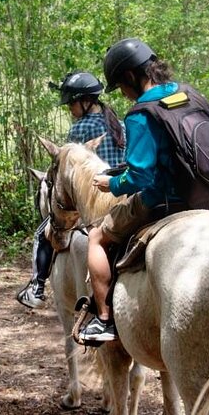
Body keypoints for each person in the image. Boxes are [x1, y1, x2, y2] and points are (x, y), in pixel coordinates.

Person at [79, 38, 191, 342]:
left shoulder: (141, 113)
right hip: (206, 193)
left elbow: (140, 176)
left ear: (130, 76)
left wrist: (111, 183)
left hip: (164, 199)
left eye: (122, 87)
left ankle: (104, 320)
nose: (125, 96)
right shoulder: (187, 95)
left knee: (97, 237)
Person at [16, 71, 125, 309]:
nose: (69, 110)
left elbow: (67, 172)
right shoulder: (119, 124)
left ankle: (37, 286)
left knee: (43, 231)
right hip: (122, 193)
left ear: (84, 102)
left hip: (92, 197)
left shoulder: (80, 129)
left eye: (70, 104)